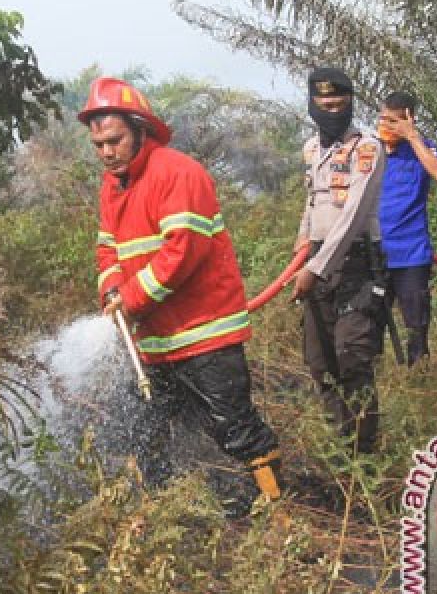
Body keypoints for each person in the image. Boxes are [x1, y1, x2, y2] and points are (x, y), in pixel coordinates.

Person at [80, 76, 282, 505]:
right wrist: (112, 289)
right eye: (98, 145)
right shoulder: (112, 187)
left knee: (236, 429)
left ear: (139, 129)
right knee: (141, 429)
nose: (106, 153)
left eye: (114, 141)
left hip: (204, 334)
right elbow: (106, 248)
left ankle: (282, 522)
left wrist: (129, 301)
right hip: (154, 343)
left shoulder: (176, 172)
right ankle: (168, 518)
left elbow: (182, 252)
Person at [292, 67, 387, 454]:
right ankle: (341, 448)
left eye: (339, 102)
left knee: (352, 357)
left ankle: (366, 454)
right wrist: (301, 249)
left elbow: (352, 217)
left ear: (350, 103)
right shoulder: (312, 149)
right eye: (323, 102)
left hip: (354, 265)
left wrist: (315, 268)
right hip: (315, 262)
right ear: (313, 104)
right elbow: (314, 203)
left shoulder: (367, 149)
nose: (331, 108)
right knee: (321, 364)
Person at [376, 92, 437, 365]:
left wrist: (413, 137)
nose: (387, 127)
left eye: (394, 121)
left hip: (411, 256)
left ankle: (418, 376)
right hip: (374, 254)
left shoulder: (422, 149)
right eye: (383, 119)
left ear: (409, 120)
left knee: (416, 327)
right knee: (369, 328)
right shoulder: (370, 151)